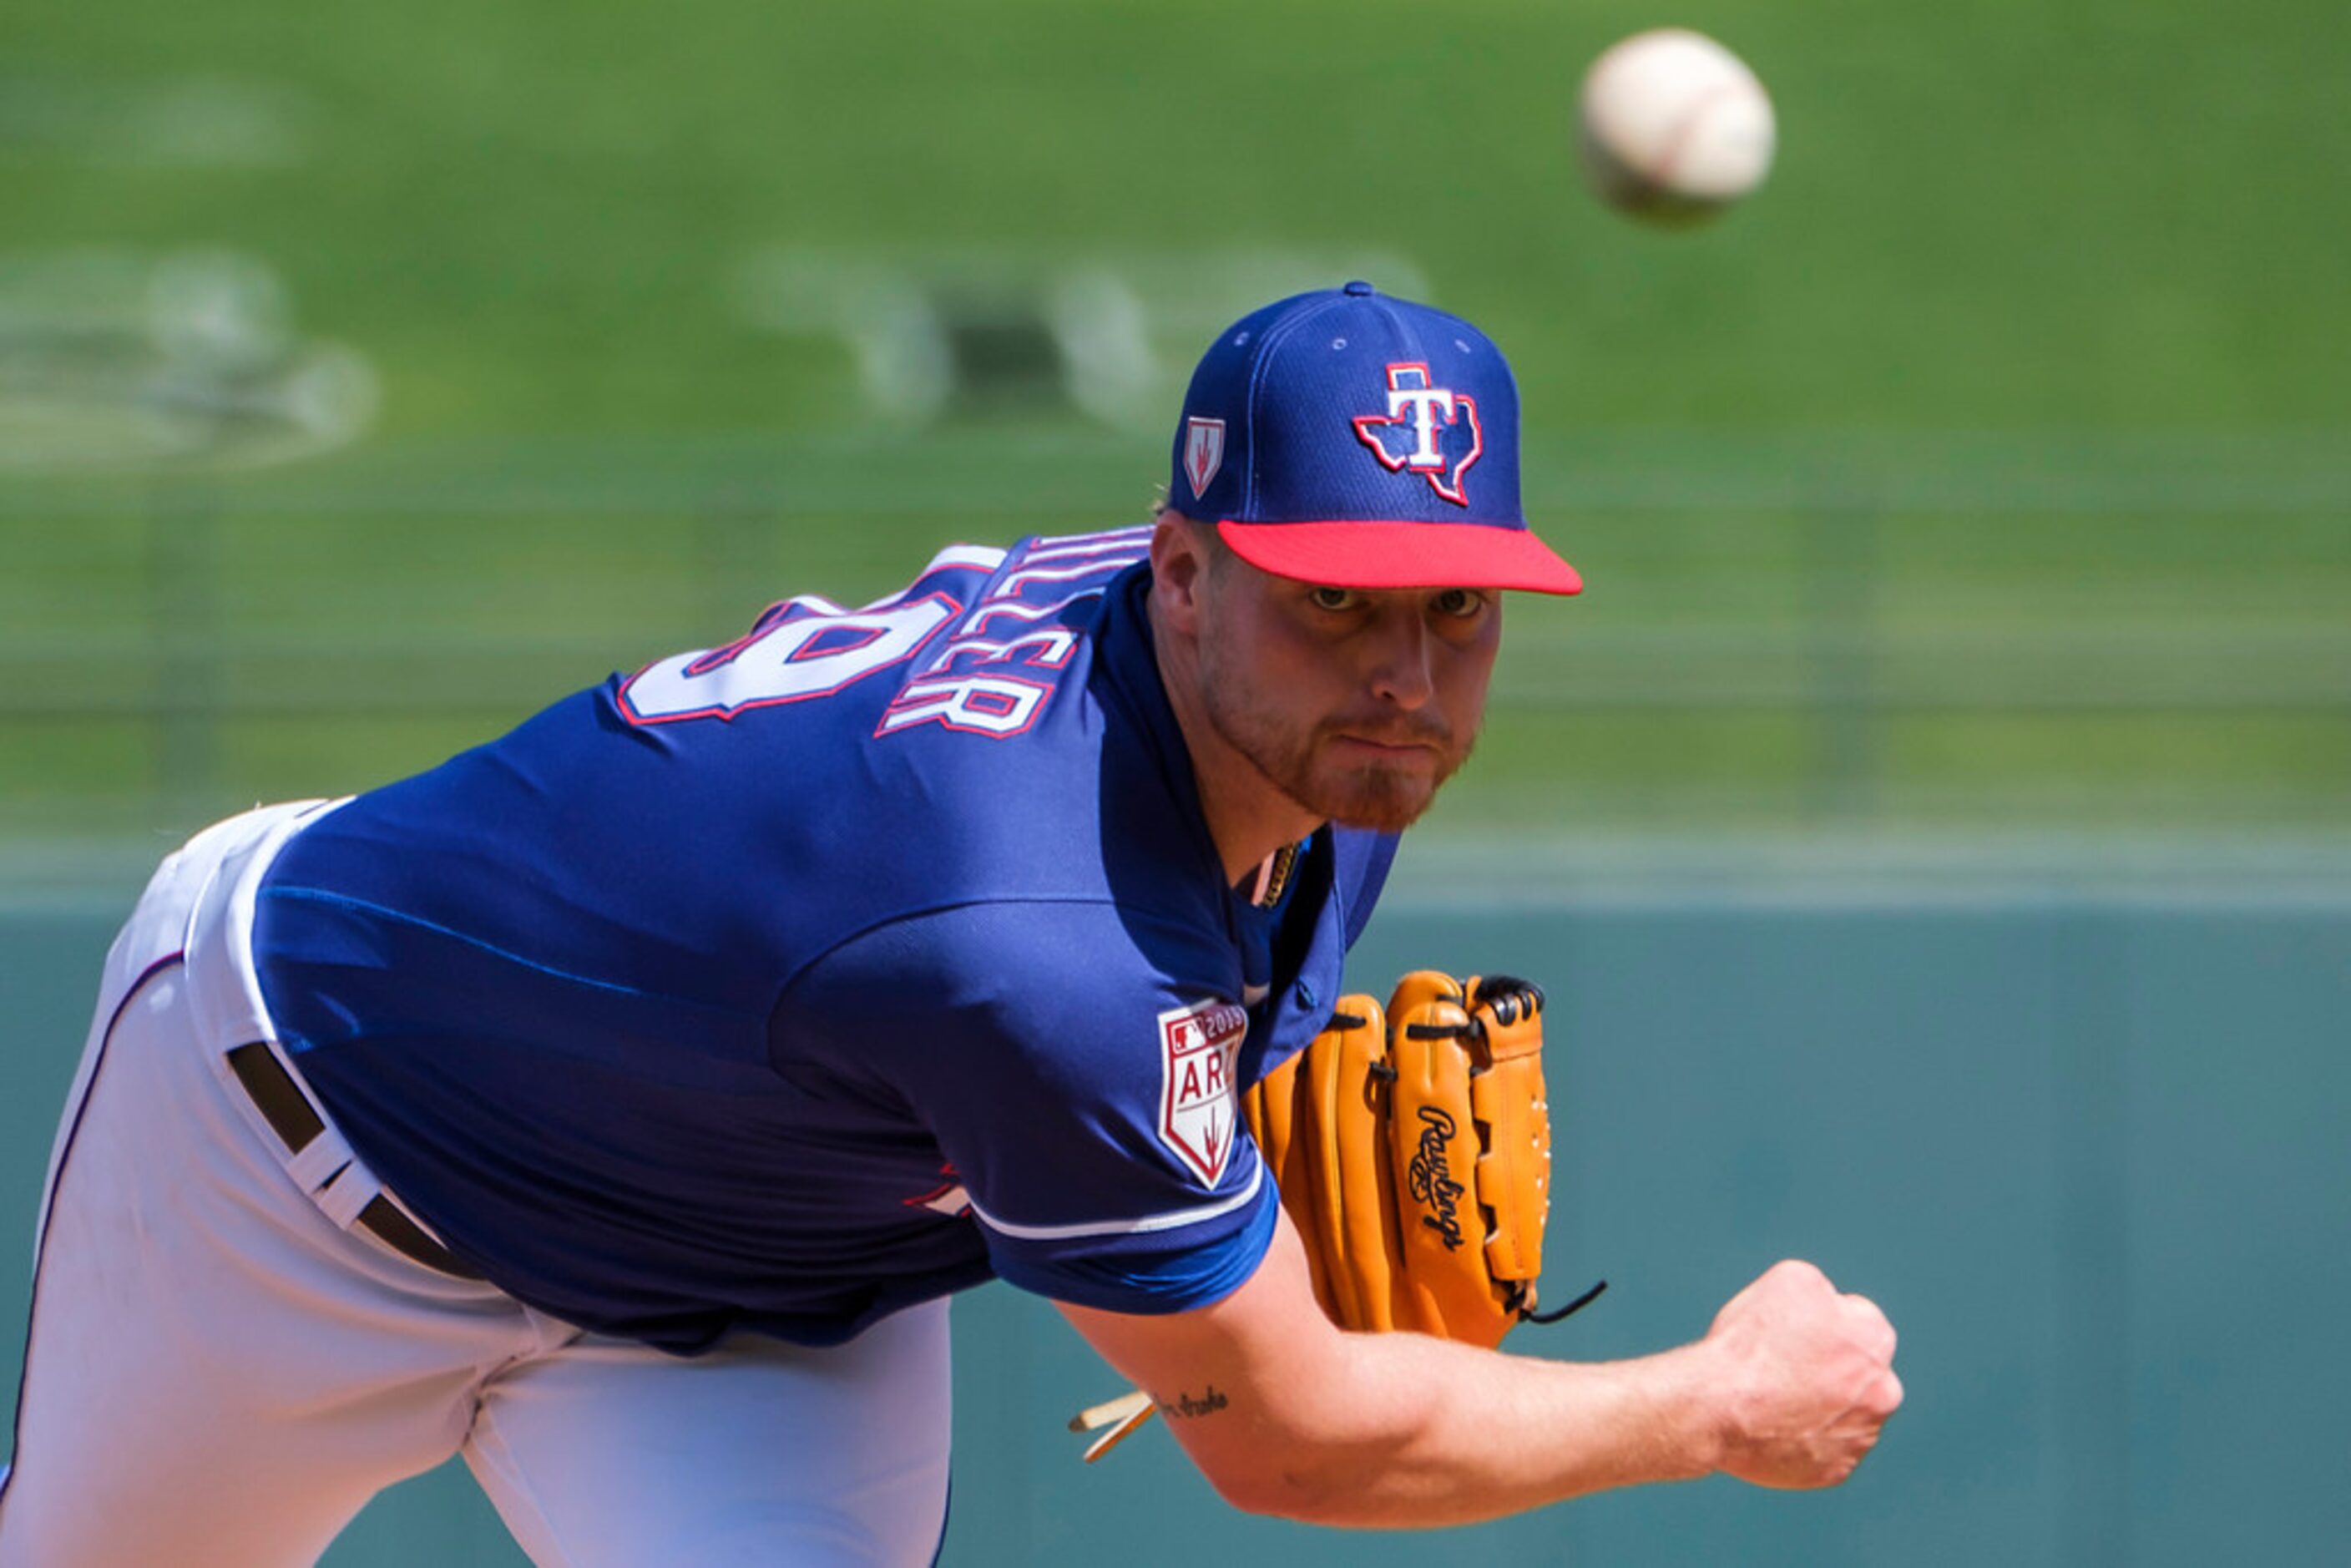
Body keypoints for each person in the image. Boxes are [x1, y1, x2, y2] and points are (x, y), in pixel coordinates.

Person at [0, 282, 1900, 1566]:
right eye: (1334, 598)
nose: (1404, 672)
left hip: (758, 1300)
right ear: (1178, 571)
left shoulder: (1295, 739)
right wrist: (1723, 1404)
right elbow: (1294, 1441)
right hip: (293, 1152)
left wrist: (1200, 1178)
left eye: (1455, 605)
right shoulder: (1034, 934)